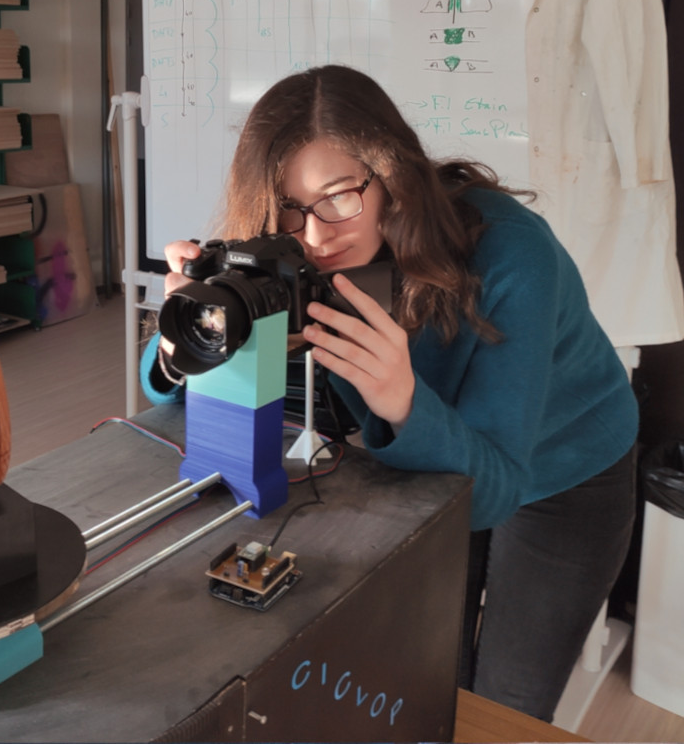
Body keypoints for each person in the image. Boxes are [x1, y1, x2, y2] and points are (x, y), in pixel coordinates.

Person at [140, 64, 637, 722]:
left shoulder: (512, 255)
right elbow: (175, 382)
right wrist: (183, 340)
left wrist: (402, 399)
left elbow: (494, 490)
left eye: (340, 196)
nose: (316, 235)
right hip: (435, 457)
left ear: (392, 178)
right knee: (430, 674)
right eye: (288, 206)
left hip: (564, 467)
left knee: (505, 704)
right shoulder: (286, 249)